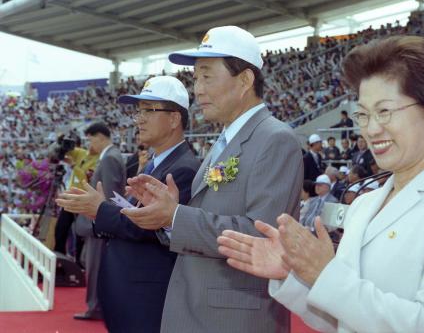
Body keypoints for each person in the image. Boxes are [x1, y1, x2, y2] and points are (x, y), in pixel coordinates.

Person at [217, 36, 424, 332]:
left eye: (385, 111)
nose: (372, 129)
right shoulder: (363, 204)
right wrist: (293, 275)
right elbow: (339, 318)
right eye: (363, 114)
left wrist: (326, 274)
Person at [121, 25, 302, 333]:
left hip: (234, 318)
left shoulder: (275, 139)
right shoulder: (227, 139)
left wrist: (176, 217)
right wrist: (167, 213)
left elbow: (260, 237)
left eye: (207, 76)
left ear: (244, 80)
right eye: (195, 78)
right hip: (204, 310)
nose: (198, 90)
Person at [57, 76, 200, 332]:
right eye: (139, 111)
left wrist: (99, 209)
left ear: (174, 119)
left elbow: (143, 226)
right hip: (130, 293)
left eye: (149, 110)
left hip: (147, 299)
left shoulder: (183, 169)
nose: (139, 119)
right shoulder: (158, 162)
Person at [73, 122, 126, 320]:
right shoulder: (111, 157)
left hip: (101, 222)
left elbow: (110, 194)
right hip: (101, 220)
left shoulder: (110, 158)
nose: (90, 144)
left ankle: (95, 307)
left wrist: (103, 222)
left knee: (95, 265)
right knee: (93, 263)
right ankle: (96, 306)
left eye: (91, 139)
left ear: (100, 137)